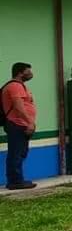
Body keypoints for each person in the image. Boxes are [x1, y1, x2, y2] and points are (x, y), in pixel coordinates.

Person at [2, 62, 37, 190]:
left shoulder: (20, 86)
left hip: (21, 124)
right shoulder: (15, 86)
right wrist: (29, 122)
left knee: (20, 153)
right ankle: (15, 181)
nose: (31, 73)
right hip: (17, 124)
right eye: (28, 71)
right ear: (20, 72)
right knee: (16, 153)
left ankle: (17, 179)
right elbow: (18, 106)